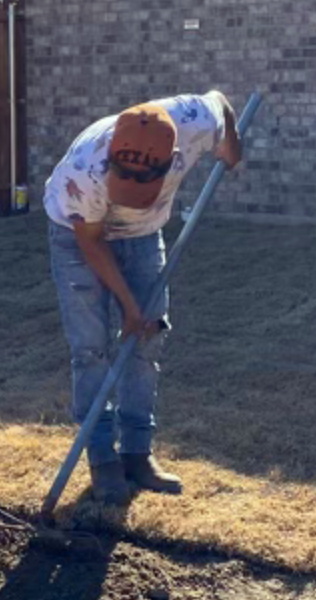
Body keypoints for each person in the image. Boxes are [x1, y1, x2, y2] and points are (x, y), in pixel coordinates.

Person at [44, 91, 243, 504]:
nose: (130, 187)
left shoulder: (194, 121)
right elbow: (93, 245)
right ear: (112, 157)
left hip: (143, 233)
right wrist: (129, 308)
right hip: (77, 233)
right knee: (91, 348)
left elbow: (220, 102)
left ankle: (137, 453)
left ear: (172, 159)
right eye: (124, 180)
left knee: (148, 339)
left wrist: (232, 145)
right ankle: (102, 459)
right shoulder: (84, 173)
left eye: (142, 183)